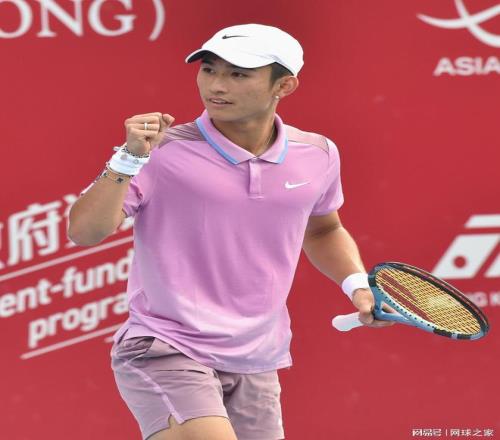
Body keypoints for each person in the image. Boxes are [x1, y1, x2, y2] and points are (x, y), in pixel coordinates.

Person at [68, 23, 394, 440]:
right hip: (166, 346)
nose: (216, 85)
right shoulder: (161, 151)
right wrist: (127, 160)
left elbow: (323, 229)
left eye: (238, 74)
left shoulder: (318, 154)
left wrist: (357, 285)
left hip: (257, 359)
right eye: (209, 70)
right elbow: (85, 232)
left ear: (285, 85)